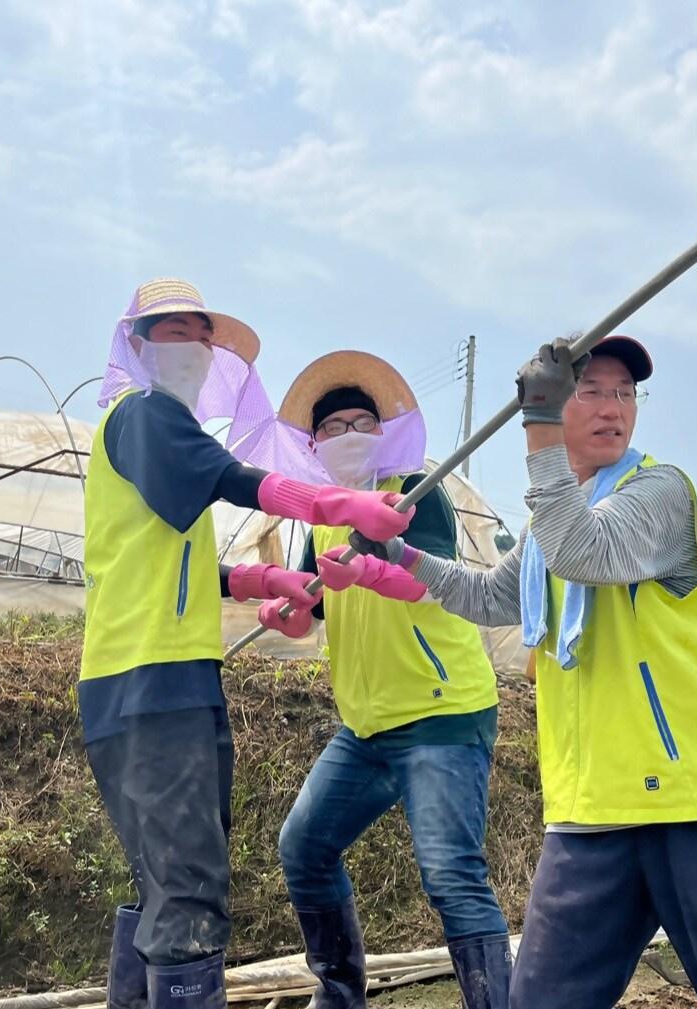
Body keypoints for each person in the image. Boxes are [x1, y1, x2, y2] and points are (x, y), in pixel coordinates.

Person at [348, 335, 697, 1008]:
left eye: (625, 392)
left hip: (695, 803)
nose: (612, 406)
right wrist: (400, 556)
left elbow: (584, 551)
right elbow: (487, 597)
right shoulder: (547, 529)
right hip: (592, 811)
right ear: (559, 402)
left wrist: (538, 428)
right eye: (589, 389)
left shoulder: (660, 492)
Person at [80, 281, 414, 1009]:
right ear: (136, 346)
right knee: (190, 893)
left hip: (152, 682)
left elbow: (175, 569)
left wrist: (260, 577)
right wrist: (333, 503)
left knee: (165, 880)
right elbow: (234, 478)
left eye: (201, 336)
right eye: (171, 333)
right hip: (152, 685)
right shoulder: (142, 415)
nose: (191, 349)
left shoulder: (146, 438)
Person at [249, 351, 511, 1009]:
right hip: (366, 725)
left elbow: (437, 583)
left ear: (382, 428)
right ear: (314, 444)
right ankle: (340, 993)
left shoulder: (414, 491)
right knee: (304, 846)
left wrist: (369, 571)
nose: (346, 435)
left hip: (441, 713)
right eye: (331, 427)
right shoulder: (325, 512)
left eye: (359, 421)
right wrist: (291, 608)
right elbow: (313, 612)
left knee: (451, 874)